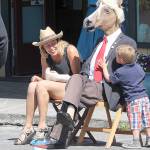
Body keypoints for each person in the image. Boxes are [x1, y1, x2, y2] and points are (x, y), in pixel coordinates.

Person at [33, 0, 137, 149]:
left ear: (115, 16)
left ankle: (56, 137)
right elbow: (87, 67)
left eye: (106, 11)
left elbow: (126, 73)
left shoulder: (127, 42)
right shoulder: (100, 41)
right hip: (88, 85)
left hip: (105, 87)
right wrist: (77, 80)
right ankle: (63, 130)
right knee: (75, 84)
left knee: (73, 91)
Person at [14, 26, 81, 145]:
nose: (51, 47)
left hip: (73, 90)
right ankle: (28, 127)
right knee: (33, 85)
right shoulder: (45, 56)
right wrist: (39, 78)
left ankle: (42, 126)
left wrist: (52, 80)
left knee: (41, 85)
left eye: (53, 43)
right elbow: (46, 78)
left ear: (57, 41)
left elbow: (78, 78)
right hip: (55, 88)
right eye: (47, 45)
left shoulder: (69, 50)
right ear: (42, 47)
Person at [98, 44, 150, 149]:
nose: (115, 58)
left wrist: (104, 66)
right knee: (147, 120)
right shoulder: (138, 67)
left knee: (135, 120)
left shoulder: (120, 72)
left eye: (116, 57)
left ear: (121, 59)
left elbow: (109, 79)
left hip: (133, 100)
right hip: (144, 98)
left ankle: (136, 142)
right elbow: (143, 76)